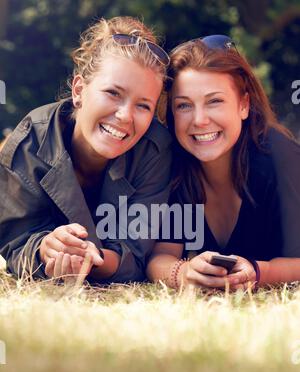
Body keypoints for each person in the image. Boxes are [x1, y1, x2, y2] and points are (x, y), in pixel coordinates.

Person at [0, 16, 172, 283]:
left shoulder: (155, 151)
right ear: (79, 90)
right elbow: (14, 242)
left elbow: (137, 253)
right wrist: (45, 250)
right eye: (113, 93)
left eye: (143, 105)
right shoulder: (30, 142)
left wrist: (92, 259)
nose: (125, 116)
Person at [146, 35, 300, 290]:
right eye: (184, 105)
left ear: (243, 105)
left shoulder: (281, 159)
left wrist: (259, 273)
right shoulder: (174, 162)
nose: (200, 120)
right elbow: (160, 257)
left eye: (214, 101)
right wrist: (183, 272)